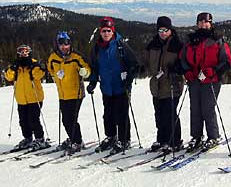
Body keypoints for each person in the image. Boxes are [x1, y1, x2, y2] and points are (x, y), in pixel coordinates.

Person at [180, 12, 231, 152]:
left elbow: (227, 61)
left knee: (207, 108)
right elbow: (182, 58)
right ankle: (196, 137)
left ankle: (213, 136)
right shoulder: (191, 40)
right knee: (195, 109)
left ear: (211, 23)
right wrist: (187, 71)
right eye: (201, 22)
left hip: (212, 80)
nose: (203, 24)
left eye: (206, 22)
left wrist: (214, 70)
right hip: (195, 79)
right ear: (197, 24)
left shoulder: (217, 39)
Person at [87, 17, 139, 154]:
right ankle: (111, 137)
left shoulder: (121, 45)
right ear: (100, 31)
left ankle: (124, 139)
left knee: (122, 114)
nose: (106, 33)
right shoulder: (97, 48)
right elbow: (94, 67)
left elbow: (134, 63)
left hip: (121, 86)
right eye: (103, 31)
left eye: (108, 31)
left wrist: (129, 78)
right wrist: (92, 82)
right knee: (108, 115)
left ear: (113, 31)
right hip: (106, 87)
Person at [144, 16, 184, 153]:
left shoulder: (176, 44)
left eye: (165, 30)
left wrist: (177, 69)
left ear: (170, 30)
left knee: (170, 114)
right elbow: (146, 60)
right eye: (160, 30)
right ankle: (162, 139)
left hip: (172, 84)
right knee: (159, 114)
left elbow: (184, 62)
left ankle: (175, 141)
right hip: (157, 86)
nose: (163, 33)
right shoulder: (153, 45)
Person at [47, 31, 91, 154]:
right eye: (61, 44)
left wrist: (85, 72)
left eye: (66, 44)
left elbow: (87, 68)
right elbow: (50, 69)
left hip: (76, 93)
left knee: (71, 119)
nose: (64, 47)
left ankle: (77, 141)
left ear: (69, 44)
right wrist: (57, 77)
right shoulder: (53, 58)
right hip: (63, 94)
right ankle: (73, 138)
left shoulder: (76, 57)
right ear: (57, 45)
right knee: (66, 120)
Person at [5, 45, 50, 151]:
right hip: (21, 98)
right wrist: (13, 68)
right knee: (23, 121)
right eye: (21, 52)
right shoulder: (16, 66)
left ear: (29, 53)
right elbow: (8, 77)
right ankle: (28, 138)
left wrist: (33, 68)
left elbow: (39, 75)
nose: (23, 54)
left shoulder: (34, 64)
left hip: (34, 97)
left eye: (26, 52)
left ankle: (40, 139)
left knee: (34, 119)